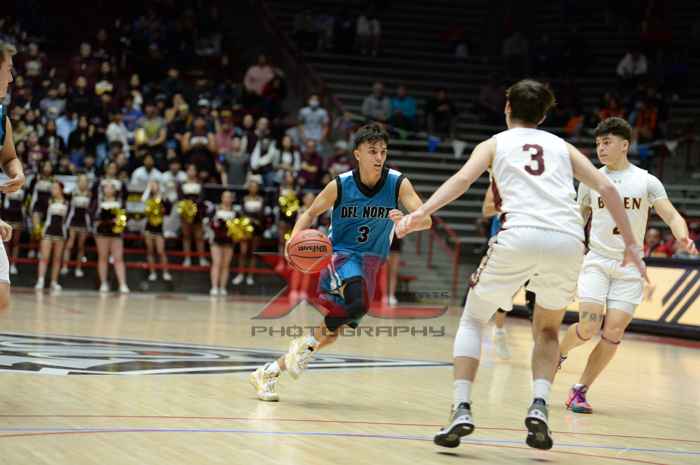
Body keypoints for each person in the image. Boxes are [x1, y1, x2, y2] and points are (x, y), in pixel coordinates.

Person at [396, 80, 646, 450]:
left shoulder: (494, 143)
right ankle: (540, 405)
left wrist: (420, 213)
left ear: (507, 108)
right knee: (547, 329)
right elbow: (608, 189)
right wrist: (632, 244)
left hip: (519, 233)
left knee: (473, 318)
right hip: (568, 240)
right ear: (543, 116)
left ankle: (462, 407)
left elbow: (462, 180)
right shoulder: (562, 146)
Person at [249, 123, 432, 401]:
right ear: (357, 154)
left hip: (371, 263)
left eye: (383, 151)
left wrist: (407, 221)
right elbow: (310, 213)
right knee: (358, 305)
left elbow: (426, 219)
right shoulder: (340, 184)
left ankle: (268, 372)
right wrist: (292, 239)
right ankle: (304, 344)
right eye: (372, 151)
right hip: (341, 256)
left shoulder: (398, 182)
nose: (379, 157)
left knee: (331, 334)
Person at [558, 117, 698, 414]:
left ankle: (580, 390)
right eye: (598, 143)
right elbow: (578, 218)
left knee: (614, 332)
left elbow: (672, 216)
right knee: (588, 326)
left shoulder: (646, 181)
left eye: (606, 142)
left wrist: (683, 237)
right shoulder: (591, 179)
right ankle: (558, 352)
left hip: (630, 268)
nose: (601, 148)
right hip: (597, 261)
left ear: (624, 145)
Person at [0, 40, 27, 309]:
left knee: (1, 295)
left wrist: (17, 174)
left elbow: (9, 157)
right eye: (8, 69)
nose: (11, 78)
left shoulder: (1, 117)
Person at [94, 182, 129, 293]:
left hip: (116, 233)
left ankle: (122, 284)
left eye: (111, 187)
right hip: (102, 232)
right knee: (103, 257)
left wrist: (119, 222)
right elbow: (94, 216)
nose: (108, 189)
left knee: (118, 258)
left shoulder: (119, 203)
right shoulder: (99, 202)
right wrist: (102, 221)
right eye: (106, 187)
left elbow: (124, 217)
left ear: (115, 190)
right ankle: (103, 283)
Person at [231, 178, 266, 286]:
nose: (253, 188)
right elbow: (241, 212)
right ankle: (240, 274)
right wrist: (248, 219)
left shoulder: (262, 199)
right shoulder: (244, 198)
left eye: (255, 186)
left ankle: (250, 275)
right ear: (248, 188)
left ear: (258, 188)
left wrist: (256, 220)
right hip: (245, 227)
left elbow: (262, 214)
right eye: (251, 186)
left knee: (253, 252)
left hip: (257, 227)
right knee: (243, 252)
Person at [35, 182, 68, 292]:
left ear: (61, 189)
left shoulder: (67, 202)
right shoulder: (47, 201)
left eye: (55, 188)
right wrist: (37, 226)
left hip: (60, 233)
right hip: (48, 232)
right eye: (52, 188)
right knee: (44, 257)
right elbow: (38, 213)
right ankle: (40, 280)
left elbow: (68, 220)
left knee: (57, 259)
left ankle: (54, 282)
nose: (53, 190)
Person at [141, 180, 173, 283]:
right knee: (150, 251)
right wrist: (148, 189)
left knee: (160, 251)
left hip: (159, 228)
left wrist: (163, 195)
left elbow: (168, 208)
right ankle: (152, 272)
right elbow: (142, 201)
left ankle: (165, 272)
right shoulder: (148, 198)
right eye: (151, 185)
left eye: (155, 185)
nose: (153, 186)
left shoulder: (162, 197)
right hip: (149, 227)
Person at [62, 174, 92, 278]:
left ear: (87, 183)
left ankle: (78, 268)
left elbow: (91, 209)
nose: (83, 183)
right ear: (77, 182)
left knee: (80, 246)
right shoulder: (72, 193)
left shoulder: (90, 194)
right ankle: (65, 266)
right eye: (81, 181)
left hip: (84, 221)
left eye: (85, 181)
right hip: (73, 220)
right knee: (70, 244)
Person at [178, 164, 208, 267]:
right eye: (189, 170)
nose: (191, 172)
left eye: (193, 170)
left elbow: (202, 197)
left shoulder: (200, 184)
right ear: (186, 171)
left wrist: (194, 206)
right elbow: (180, 197)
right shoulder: (182, 184)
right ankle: (187, 258)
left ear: (196, 172)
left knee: (199, 236)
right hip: (185, 212)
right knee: (186, 236)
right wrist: (187, 207)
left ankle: (202, 258)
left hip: (197, 212)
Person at [208, 190, 236, 296]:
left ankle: (223, 287)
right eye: (225, 197)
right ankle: (214, 287)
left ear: (232, 199)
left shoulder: (235, 212)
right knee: (216, 263)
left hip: (229, 241)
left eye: (229, 197)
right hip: (216, 240)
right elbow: (210, 223)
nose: (227, 199)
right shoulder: (215, 209)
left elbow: (238, 226)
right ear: (221, 198)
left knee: (225, 264)